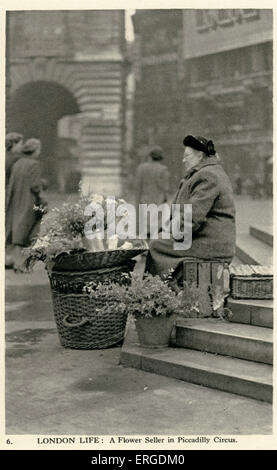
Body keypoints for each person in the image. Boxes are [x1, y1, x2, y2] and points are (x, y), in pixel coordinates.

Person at [145, 135, 236, 283]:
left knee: (157, 245)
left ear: (200, 155)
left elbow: (192, 217)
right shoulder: (208, 172)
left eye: (187, 156)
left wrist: (169, 234)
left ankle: (155, 291)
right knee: (160, 240)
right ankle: (165, 287)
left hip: (212, 244)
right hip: (208, 238)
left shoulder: (208, 175)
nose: (183, 160)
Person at [5, 138, 45, 270]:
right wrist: (42, 195)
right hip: (29, 201)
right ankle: (21, 263)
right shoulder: (34, 164)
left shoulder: (18, 163)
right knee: (29, 230)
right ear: (35, 150)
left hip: (17, 200)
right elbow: (35, 186)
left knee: (18, 229)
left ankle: (12, 260)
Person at [134, 145, 169, 238]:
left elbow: (137, 186)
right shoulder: (163, 170)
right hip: (157, 201)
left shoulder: (141, 168)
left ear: (150, 157)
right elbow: (165, 188)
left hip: (143, 201)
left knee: (142, 230)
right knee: (156, 230)